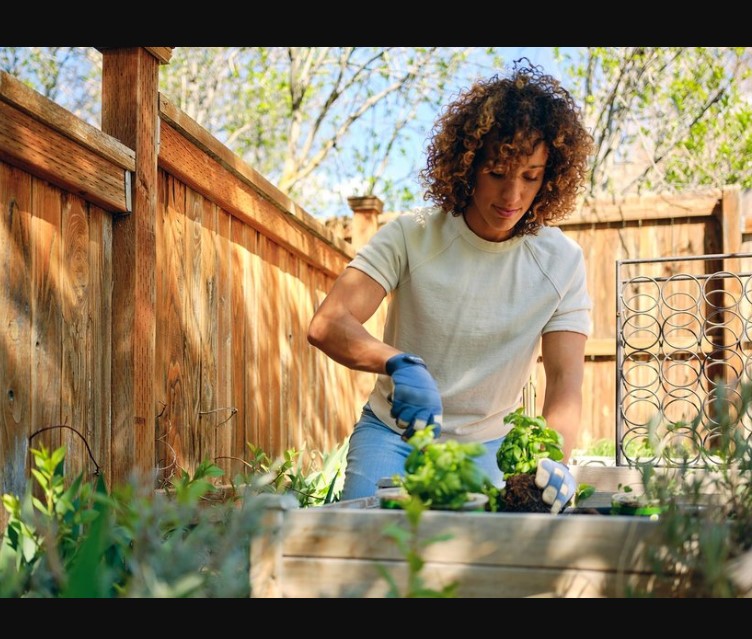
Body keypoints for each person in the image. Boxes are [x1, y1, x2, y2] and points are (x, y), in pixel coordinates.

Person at [307, 60, 593, 513]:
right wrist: (397, 363)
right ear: (468, 164)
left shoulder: (561, 263)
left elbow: (564, 382)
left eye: (531, 177)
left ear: (550, 177)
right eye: (497, 172)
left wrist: (554, 459)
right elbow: (328, 323)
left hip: (486, 452)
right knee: (365, 562)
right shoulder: (413, 234)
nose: (512, 196)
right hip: (392, 437)